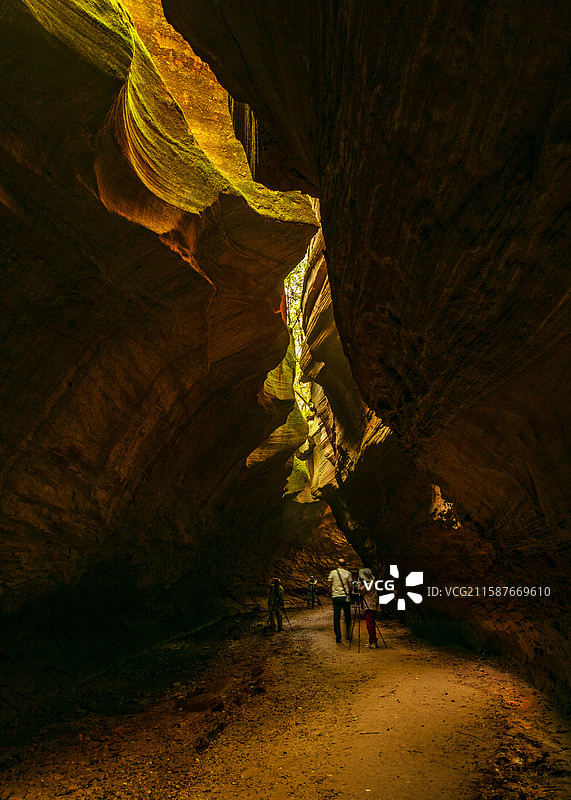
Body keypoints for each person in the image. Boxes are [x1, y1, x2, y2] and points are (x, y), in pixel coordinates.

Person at [327, 558, 352, 643]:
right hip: (345, 597)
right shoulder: (348, 573)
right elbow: (350, 586)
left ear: (337, 564)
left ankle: (338, 636)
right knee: (347, 616)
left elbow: (329, 584)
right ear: (345, 564)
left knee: (336, 617)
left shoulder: (332, 573)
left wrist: (332, 592)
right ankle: (347, 634)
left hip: (336, 597)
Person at [359, 567, 379, 648]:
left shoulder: (367, 585)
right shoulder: (373, 583)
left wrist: (359, 583)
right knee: (371, 624)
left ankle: (373, 641)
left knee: (369, 625)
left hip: (369, 606)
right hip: (373, 605)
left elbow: (360, 591)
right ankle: (371, 641)